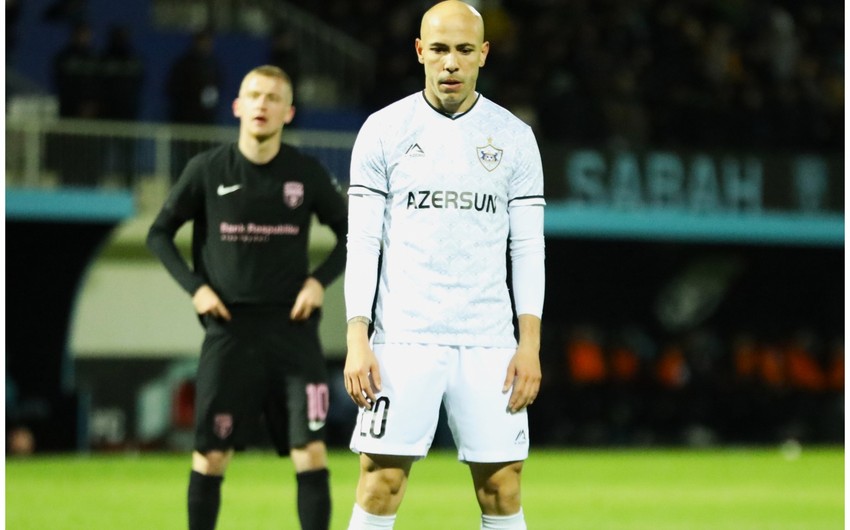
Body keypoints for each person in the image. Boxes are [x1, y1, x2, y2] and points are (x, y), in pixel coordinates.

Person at [342, 2, 546, 529]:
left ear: (483, 54)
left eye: (462, 50)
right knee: (380, 482)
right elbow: (362, 242)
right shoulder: (383, 130)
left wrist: (529, 344)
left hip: (489, 341)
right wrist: (357, 336)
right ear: (419, 51)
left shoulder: (514, 137)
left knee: (502, 487)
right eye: (438, 49)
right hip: (403, 337)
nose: (450, 62)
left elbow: (527, 247)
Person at [147, 65, 346, 530]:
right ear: (237, 106)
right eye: (254, 95)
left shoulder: (305, 173)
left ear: (288, 112)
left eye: (273, 98)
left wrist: (318, 282)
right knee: (211, 454)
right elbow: (159, 234)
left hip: (293, 333)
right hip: (229, 332)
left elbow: (353, 235)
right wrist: (196, 288)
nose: (262, 104)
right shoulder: (207, 170)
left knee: (311, 451)